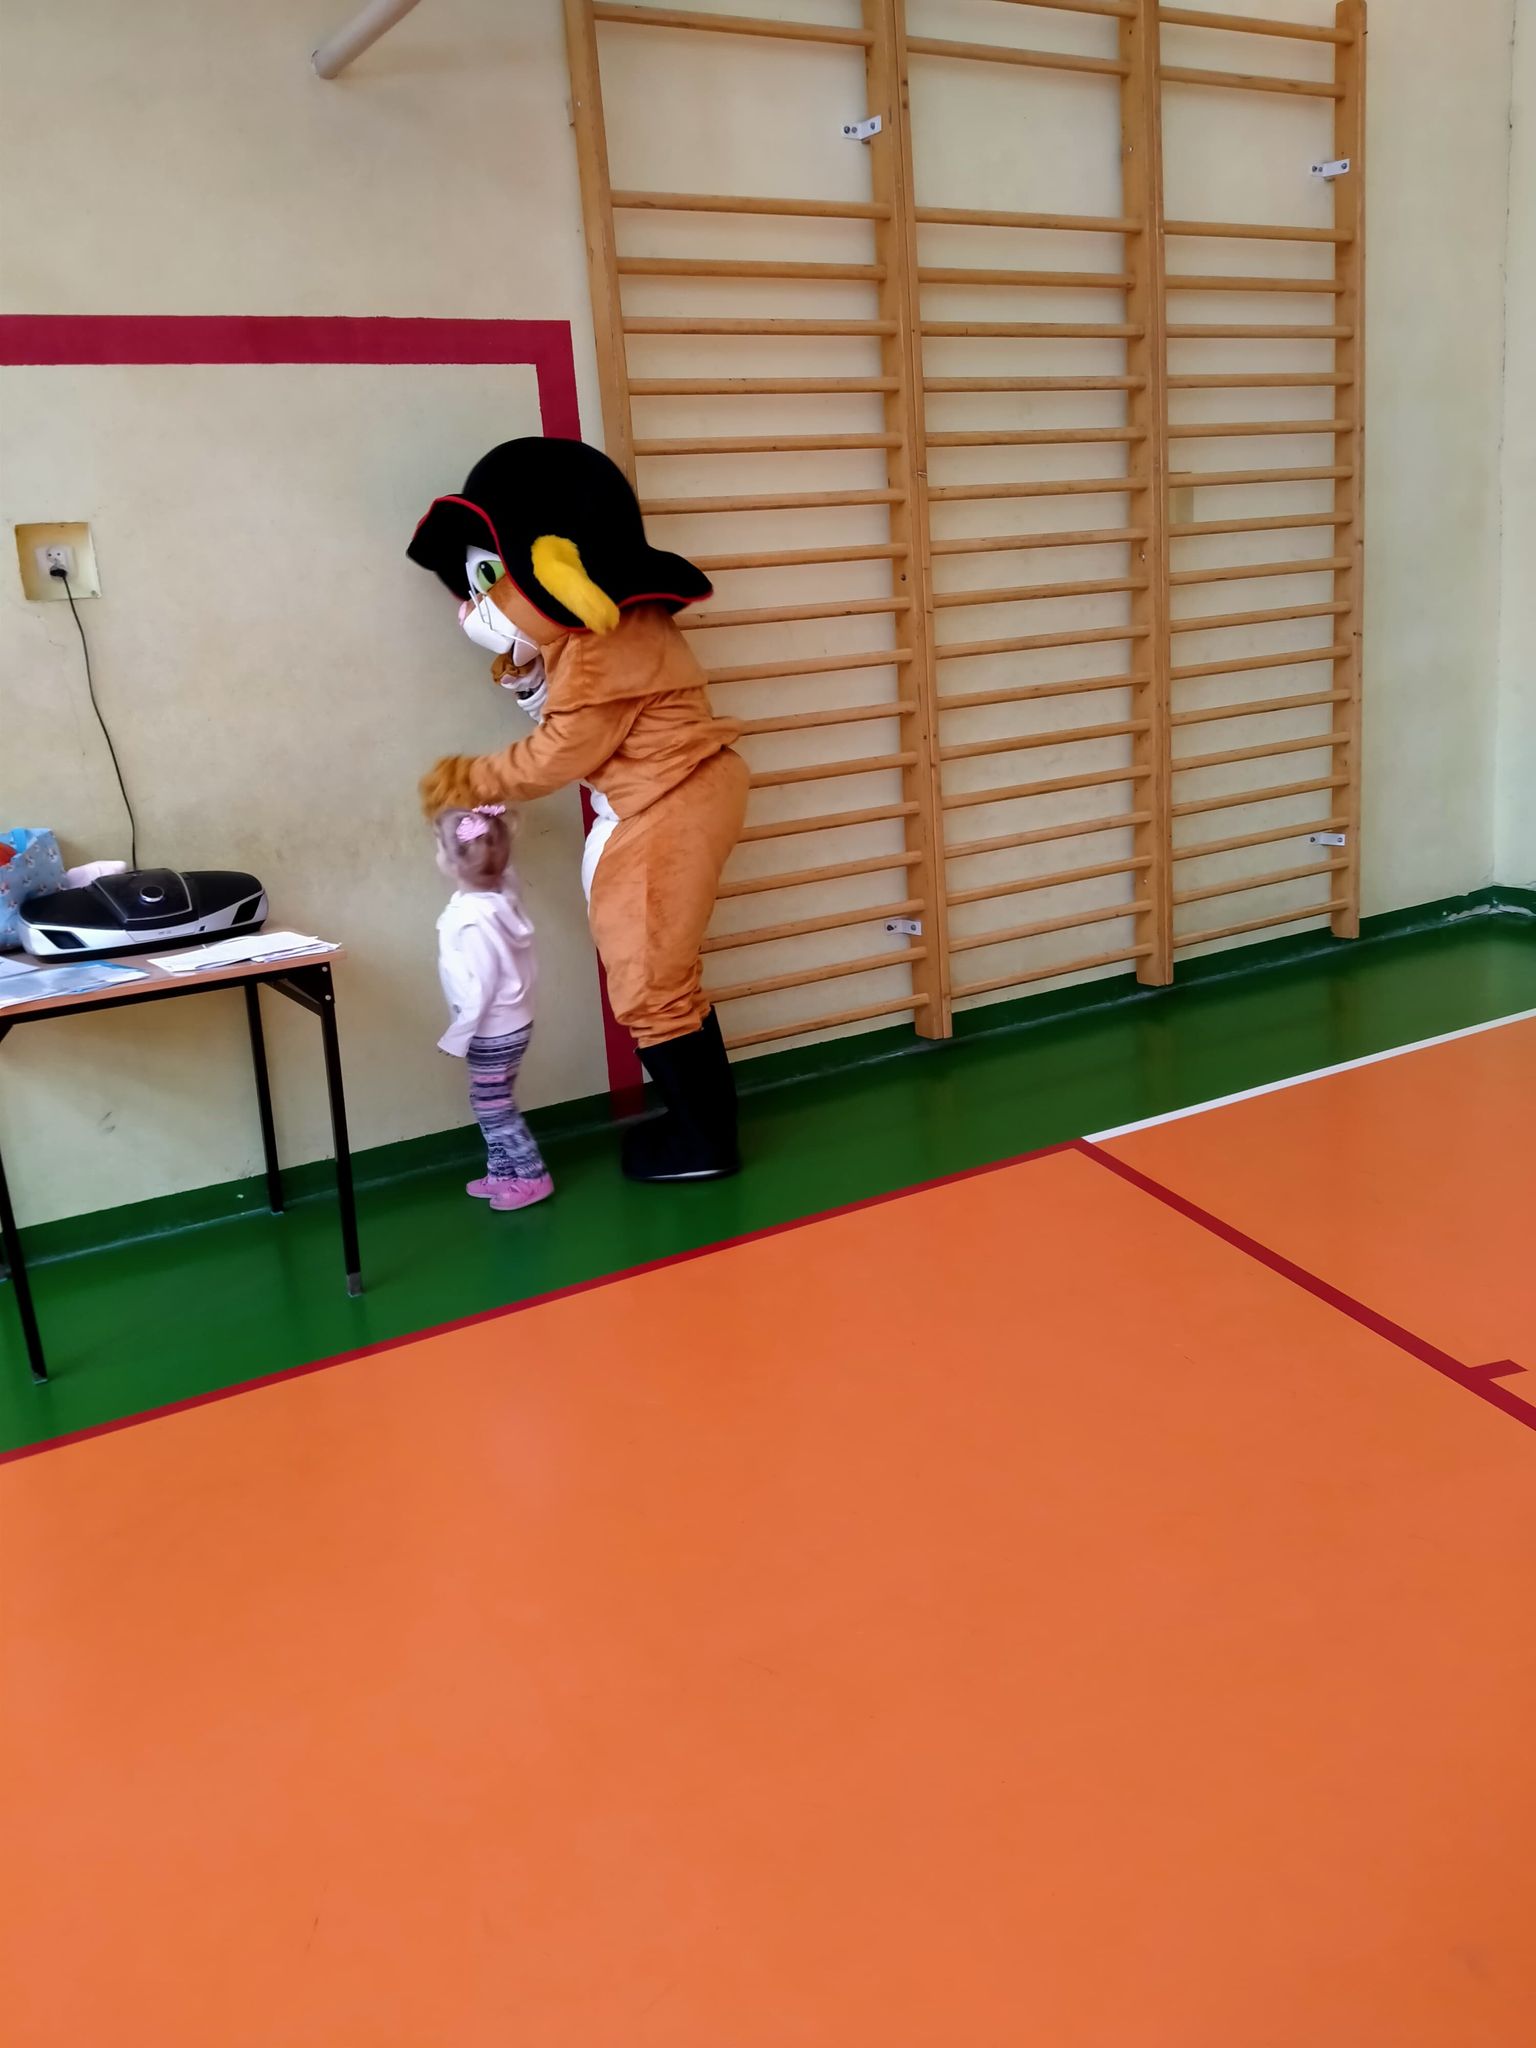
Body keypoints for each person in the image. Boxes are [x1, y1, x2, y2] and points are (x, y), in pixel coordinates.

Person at [409, 436, 748, 1184]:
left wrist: (470, 777)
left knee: (649, 984)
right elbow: (581, 718)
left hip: (667, 801)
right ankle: (704, 1125)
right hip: (670, 792)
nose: (474, 607)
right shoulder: (609, 629)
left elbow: (565, 749)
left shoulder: (602, 642)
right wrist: (531, 679)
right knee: (667, 975)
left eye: (491, 578)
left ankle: (704, 1145)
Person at [434, 803, 552, 1213]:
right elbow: (505, 873)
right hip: (513, 1024)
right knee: (491, 1100)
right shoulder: (500, 897)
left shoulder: (471, 920)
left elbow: (480, 988)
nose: (437, 853)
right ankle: (502, 1172)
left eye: (439, 846)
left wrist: (457, 1036)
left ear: (453, 863)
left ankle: (532, 1176)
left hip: (491, 1030)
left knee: (493, 1106)